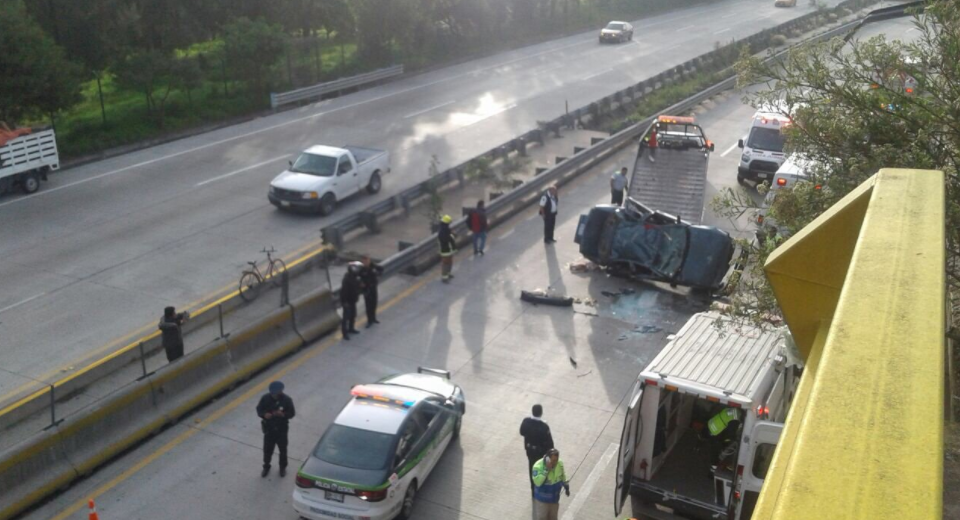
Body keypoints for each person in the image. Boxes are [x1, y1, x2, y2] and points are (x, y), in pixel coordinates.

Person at [257, 381, 295, 478]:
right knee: (267, 450)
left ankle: (282, 467)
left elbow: (292, 413)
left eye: (276, 393)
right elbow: (259, 409)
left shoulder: (287, 400)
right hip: (269, 429)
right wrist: (264, 415)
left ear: (280, 392)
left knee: (283, 450)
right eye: (272, 394)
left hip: (281, 429)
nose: (274, 395)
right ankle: (266, 466)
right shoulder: (265, 398)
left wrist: (283, 415)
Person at [520, 404, 555, 495]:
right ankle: (540, 489)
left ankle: (533, 489)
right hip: (540, 453)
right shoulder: (544, 427)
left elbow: (522, 432)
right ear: (541, 413)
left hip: (530, 451)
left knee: (532, 468)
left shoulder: (526, 422)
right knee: (542, 470)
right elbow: (549, 443)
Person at [532, 448, 569, 520]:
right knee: (542, 518)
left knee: (553, 518)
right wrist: (546, 470)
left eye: (556, 460)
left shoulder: (559, 463)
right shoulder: (537, 466)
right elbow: (538, 482)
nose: (554, 463)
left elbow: (563, 475)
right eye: (553, 461)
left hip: (554, 499)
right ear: (548, 459)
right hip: (542, 501)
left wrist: (566, 485)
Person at [340, 262, 363, 340]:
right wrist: (344, 302)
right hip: (347, 302)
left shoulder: (355, 277)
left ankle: (351, 328)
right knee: (346, 318)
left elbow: (357, 287)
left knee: (353, 315)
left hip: (353, 300)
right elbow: (344, 292)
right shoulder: (347, 279)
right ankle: (345, 333)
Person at [359, 257, 384, 328]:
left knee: (374, 304)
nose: (365, 263)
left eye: (367, 261)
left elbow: (381, 269)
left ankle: (373, 318)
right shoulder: (362, 270)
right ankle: (369, 320)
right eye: (364, 262)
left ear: (369, 261)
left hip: (373, 288)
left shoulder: (374, 266)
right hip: (366, 290)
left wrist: (379, 275)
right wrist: (361, 284)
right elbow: (358, 278)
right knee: (368, 306)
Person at [438, 215, 457, 283]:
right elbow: (446, 240)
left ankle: (448, 274)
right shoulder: (443, 232)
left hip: (449, 249)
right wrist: (452, 236)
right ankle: (444, 278)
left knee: (449, 262)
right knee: (445, 263)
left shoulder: (445, 230)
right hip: (445, 250)